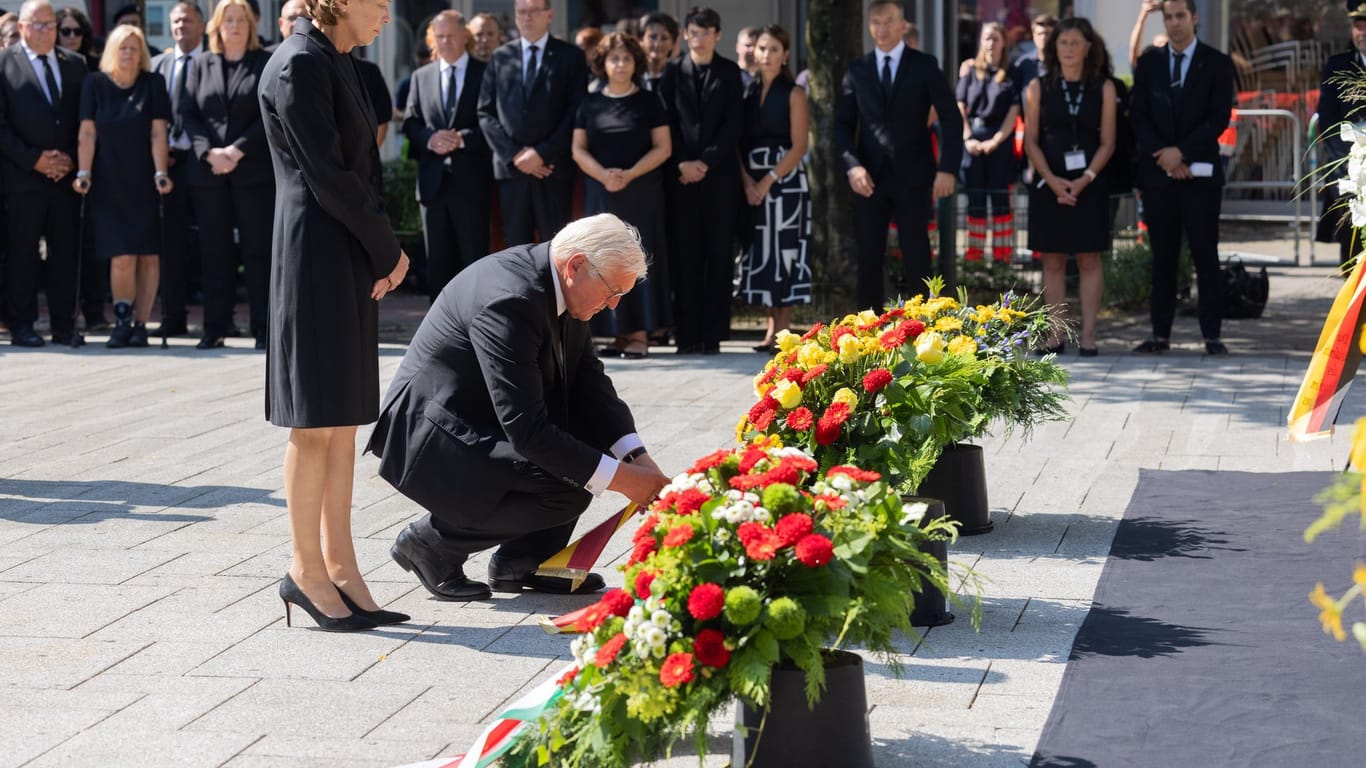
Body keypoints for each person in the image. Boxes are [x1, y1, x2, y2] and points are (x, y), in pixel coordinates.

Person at [369, 213, 672, 601]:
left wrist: (637, 458)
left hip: (476, 415)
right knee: (571, 481)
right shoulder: (511, 299)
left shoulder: (558, 282)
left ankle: (524, 562)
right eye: (613, 290)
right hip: (432, 433)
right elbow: (527, 431)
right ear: (577, 265)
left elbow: (590, 385)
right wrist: (627, 481)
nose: (614, 306)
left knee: (583, 455)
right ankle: (431, 544)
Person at [259, 0, 410, 631]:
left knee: (344, 417)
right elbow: (329, 176)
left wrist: (374, 247)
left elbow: (359, 168)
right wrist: (388, 246)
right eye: (378, 4)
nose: (385, 16)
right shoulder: (298, 64)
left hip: (343, 250)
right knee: (314, 419)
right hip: (314, 255)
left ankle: (341, 568)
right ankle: (304, 569)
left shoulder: (336, 59)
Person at [834, 0, 961, 312]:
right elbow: (841, 125)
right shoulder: (858, 70)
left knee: (917, 257)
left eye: (889, 21)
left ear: (903, 24)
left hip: (914, 175)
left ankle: (922, 332)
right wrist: (852, 166)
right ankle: (869, 336)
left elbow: (951, 117)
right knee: (868, 258)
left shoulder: (924, 65)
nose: (882, 29)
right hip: (869, 179)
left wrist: (947, 168)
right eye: (876, 22)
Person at [1130, 0, 1234, 356]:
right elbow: (1139, 115)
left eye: (1180, 16)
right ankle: (1160, 335)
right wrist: (1165, 155)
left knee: (1205, 255)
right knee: (1163, 258)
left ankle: (1212, 335)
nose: (1174, 23)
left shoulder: (1218, 63)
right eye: (1168, 17)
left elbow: (1218, 117)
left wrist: (1183, 153)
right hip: (1160, 177)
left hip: (1200, 177)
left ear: (1194, 18)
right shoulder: (1149, 63)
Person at [72, 24, 173, 348]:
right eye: (122, 47)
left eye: (134, 47)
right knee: (122, 256)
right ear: (112, 50)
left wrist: (161, 173)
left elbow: (159, 132)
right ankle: (121, 319)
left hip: (145, 179)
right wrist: (83, 171)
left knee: (148, 256)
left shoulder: (152, 83)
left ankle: (141, 324)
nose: (128, 53)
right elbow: (87, 132)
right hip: (108, 180)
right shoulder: (95, 83)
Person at [180, 0, 273, 350]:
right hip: (209, 174)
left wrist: (237, 150)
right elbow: (187, 113)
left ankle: (263, 328)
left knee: (257, 252)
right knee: (213, 251)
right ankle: (215, 327)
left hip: (252, 171)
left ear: (251, 26)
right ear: (216, 26)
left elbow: (270, 114)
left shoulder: (264, 62)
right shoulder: (201, 64)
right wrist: (208, 152)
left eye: (241, 20)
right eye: (228, 20)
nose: (234, 26)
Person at [572, 33, 670, 360]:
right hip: (602, 191)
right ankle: (615, 334)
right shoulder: (590, 103)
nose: (620, 64)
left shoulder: (649, 101)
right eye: (614, 58)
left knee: (637, 258)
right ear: (603, 63)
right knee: (602, 258)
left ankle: (639, 334)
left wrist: (629, 174)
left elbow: (663, 147)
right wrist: (604, 175)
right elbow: (577, 149)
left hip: (640, 191)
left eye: (627, 58)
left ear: (635, 63)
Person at [1024, 17, 1116, 358]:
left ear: (1088, 47)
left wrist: (1084, 179)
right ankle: (1055, 334)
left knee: (1090, 259)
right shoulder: (1038, 86)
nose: (1068, 49)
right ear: (1054, 48)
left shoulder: (1103, 87)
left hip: (1088, 183)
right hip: (1050, 183)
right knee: (1052, 260)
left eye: (1075, 43)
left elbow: (1108, 141)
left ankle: (1089, 335)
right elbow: (1031, 141)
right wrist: (1052, 180)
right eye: (1063, 43)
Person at [657, 6, 742, 355]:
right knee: (684, 255)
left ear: (718, 35)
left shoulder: (730, 72)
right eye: (694, 31)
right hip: (680, 179)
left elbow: (733, 124)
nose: (700, 38)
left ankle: (713, 335)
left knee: (719, 255)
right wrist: (680, 162)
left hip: (718, 178)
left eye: (707, 32)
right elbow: (665, 121)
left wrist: (705, 162)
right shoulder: (671, 71)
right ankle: (685, 333)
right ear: (686, 35)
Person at [0, 0, 85, 347]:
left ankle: (65, 324)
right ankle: (22, 323)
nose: (47, 31)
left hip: (65, 178)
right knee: (23, 254)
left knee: (65, 254)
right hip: (22, 178)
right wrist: (34, 159)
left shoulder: (76, 64)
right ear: (21, 28)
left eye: (51, 25)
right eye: (38, 25)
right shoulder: (4, 64)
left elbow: (85, 120)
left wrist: (68, 160)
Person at [478, 0, 586, 247]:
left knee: (556, 248)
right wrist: (516, 155)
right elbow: (485, 113)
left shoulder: (571, 56)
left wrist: (542, 154)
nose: (527, 18)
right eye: (521, 12)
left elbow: (576, 112)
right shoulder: (501, 57)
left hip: (553, 169)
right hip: (513, 172)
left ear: (549, 15)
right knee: (516, 250)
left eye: (533, 12)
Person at [403, 10, 491, 297]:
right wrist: (430, 138)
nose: (446, 42)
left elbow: (495, 123)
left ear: (464, 36)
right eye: (440, 37)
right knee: (437, 264)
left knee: (474, 262)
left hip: (473, 182)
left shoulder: (486, 73)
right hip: (433, 186)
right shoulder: (421, 77)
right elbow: (411, 123)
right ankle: (440, 334)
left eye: (452, 36)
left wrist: (461, 140)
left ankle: (476, 329)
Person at [739, 24, 809, 353]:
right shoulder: (748, 93)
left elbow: (799, 147)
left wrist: (767, 181)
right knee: (762, 253)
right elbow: (736, 144)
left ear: (785, 55)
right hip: (752, 182)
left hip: (786, 182)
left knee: (786, 252)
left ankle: (784, 331)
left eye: (773, 50)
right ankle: (770, 329)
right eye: (762, 49)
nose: (766, 55)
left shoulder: (793, 93)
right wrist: (748, 183)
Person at [150, 1, 206, 339]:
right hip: (167, 164)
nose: (180, 27)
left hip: (204, 164)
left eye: (186, 20)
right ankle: (173, 317)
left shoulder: (211, 63)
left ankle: (218, 317)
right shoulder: (157, 65)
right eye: (175, 21)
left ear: (201, 25)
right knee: (169, 243)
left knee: (212, 243)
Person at [956, 22, 1020, 263]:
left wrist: (996, 140)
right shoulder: (970, 70)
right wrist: (967, 137)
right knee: (976, 202)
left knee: (1000, 200)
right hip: (972, 139)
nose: (991, 43)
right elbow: (960, 104)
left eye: (995, 38)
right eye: (987, 38)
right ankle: (975, 260)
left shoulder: (1011, 73)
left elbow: (1014, 111)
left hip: (999, 142)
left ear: (1004, 42)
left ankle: (1002, 260)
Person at [1315, 4, 1366, 266]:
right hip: (1351, 176)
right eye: (1358, 25)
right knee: (1352, 259)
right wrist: (1352, 166)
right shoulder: (1337, 67)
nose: (1363, 32)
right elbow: (1329, 124)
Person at [639, 11, 677, 92]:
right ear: (641, 40)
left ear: (673, 43)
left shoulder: (680, 77)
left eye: (664, 38)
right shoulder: (631, 76)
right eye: (652, 37)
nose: (657, 44)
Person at [1129, 0, 1170, 69]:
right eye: (1159, 44)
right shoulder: (1147, 70)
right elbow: (1134, 52)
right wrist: (1143, 15)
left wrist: (1163, 6)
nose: (1162, 46)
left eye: (1165, 44)